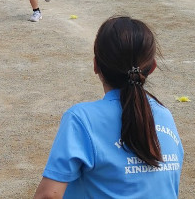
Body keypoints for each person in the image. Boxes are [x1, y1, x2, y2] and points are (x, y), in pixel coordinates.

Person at [34, 16, 183, 199]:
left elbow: (48, 195)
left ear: (96, 65)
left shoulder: (81, 119)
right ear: (152, 67)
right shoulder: (164, 115)